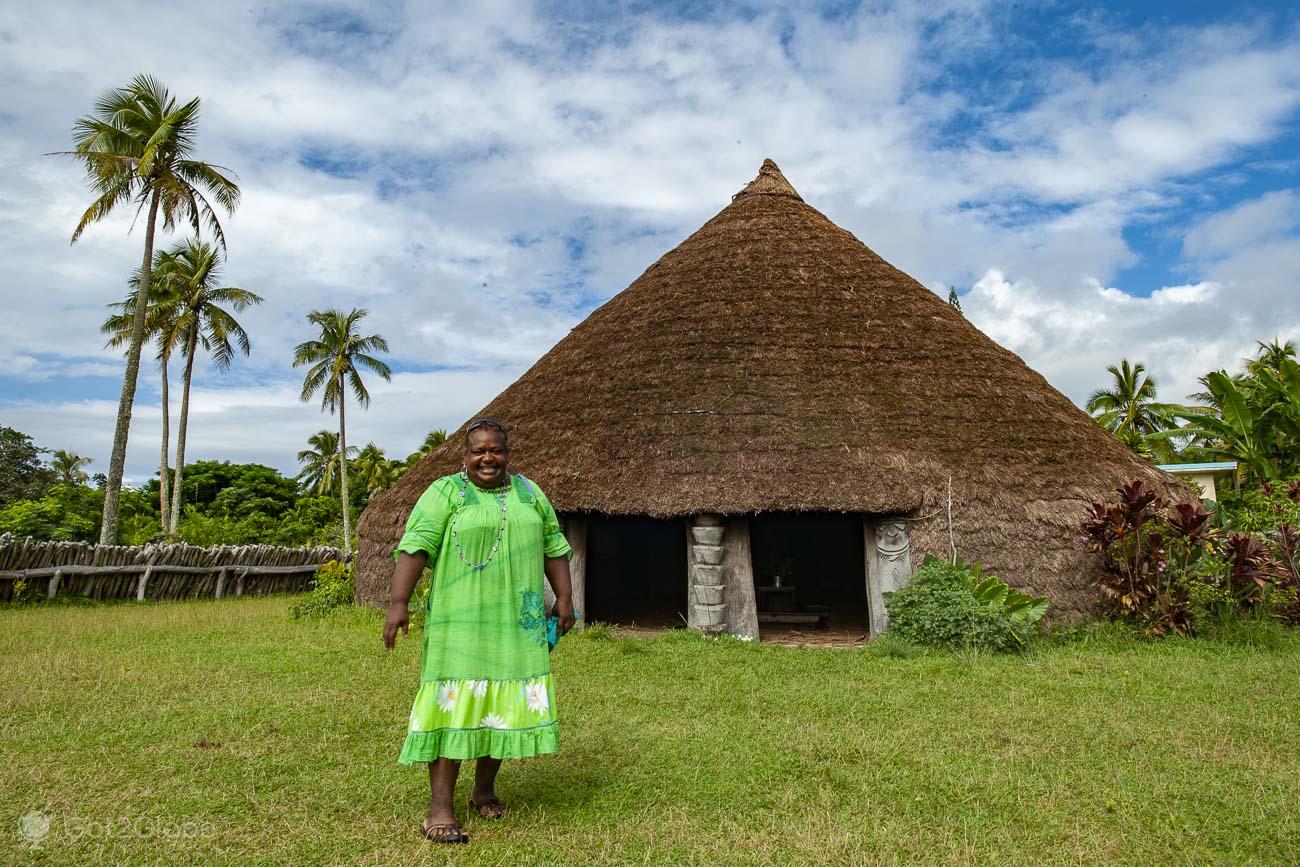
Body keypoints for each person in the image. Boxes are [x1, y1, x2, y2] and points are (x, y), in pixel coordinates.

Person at [383, 418, 575, 844]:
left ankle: (483, 790)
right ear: (464, 456)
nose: (487, 458)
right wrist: (399, 604)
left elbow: (554, 545)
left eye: (496, 450)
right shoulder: (445, 493)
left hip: (517, 621)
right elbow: (415, 546)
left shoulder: (529, 492)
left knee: (500, 704)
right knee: (454, 706)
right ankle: (439, 810)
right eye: (478, 451)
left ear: (507, 453)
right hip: (460, 623)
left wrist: (564, 597)